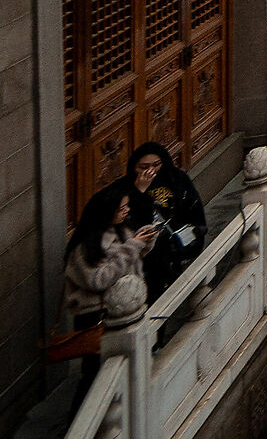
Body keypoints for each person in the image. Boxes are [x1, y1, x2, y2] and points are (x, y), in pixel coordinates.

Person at [58, 188, 156, 395]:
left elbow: (133, 259)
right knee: (95, 374)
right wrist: (132, 246)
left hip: (125, 310)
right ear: (107, 211)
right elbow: (98, 279)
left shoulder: (121, 230)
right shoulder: (84, 247)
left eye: (126, 206)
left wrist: (144, 241)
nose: (127, 211)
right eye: (122, 208)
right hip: (96, 316)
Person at [112, 142, 206, 300]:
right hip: (145, 254)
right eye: (144, 167)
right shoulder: (123, 188)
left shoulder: (176, 178)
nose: (151, 171)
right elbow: (127, 219)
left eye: (156, 165)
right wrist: (140, 190)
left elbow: (193, 208)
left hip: (177, 244)